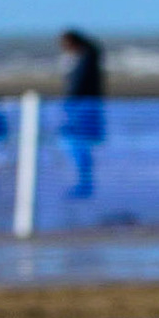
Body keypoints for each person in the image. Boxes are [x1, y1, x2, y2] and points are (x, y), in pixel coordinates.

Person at [58, 29, 106, 199]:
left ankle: (84, 185)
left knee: (77, 145)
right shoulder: (82, 57)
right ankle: (83, 183)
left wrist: (71, 101)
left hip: (82, 106)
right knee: (74, 145)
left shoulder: (87, 57)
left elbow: (78, 84)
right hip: (79, 105)